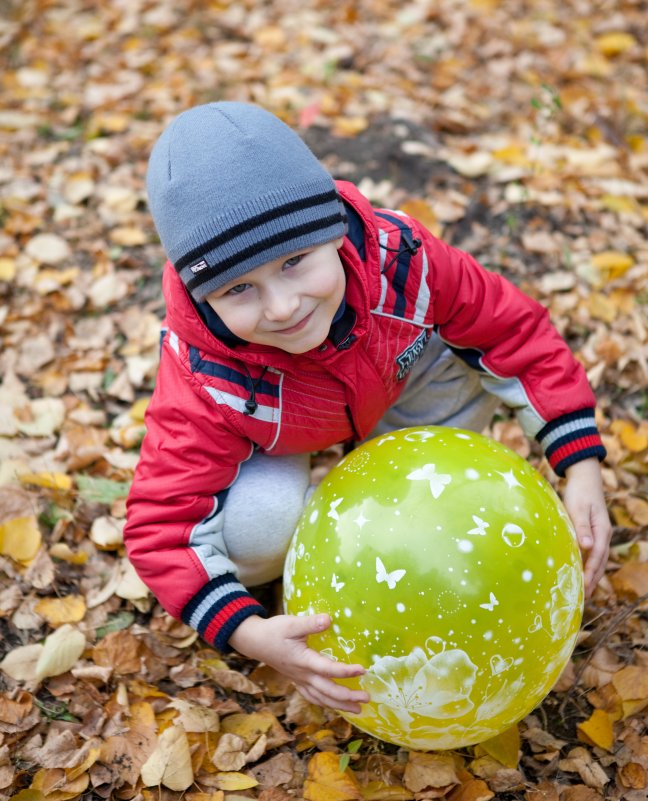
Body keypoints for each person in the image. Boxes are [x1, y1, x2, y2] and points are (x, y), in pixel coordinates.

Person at [124, 101, 611, 714]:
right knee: (253, 529)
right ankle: (292, 552)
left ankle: (405, 484)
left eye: (295, 261)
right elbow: (161, 522)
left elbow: (515, 334)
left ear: (331, 230)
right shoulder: (206, 373)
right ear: (204, 298)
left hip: (392, 385)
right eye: (239, 289)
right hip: (274, 437)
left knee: (458, 365)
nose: (281, 308)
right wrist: (249, 634)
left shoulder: (403, 263)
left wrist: (581, 466)